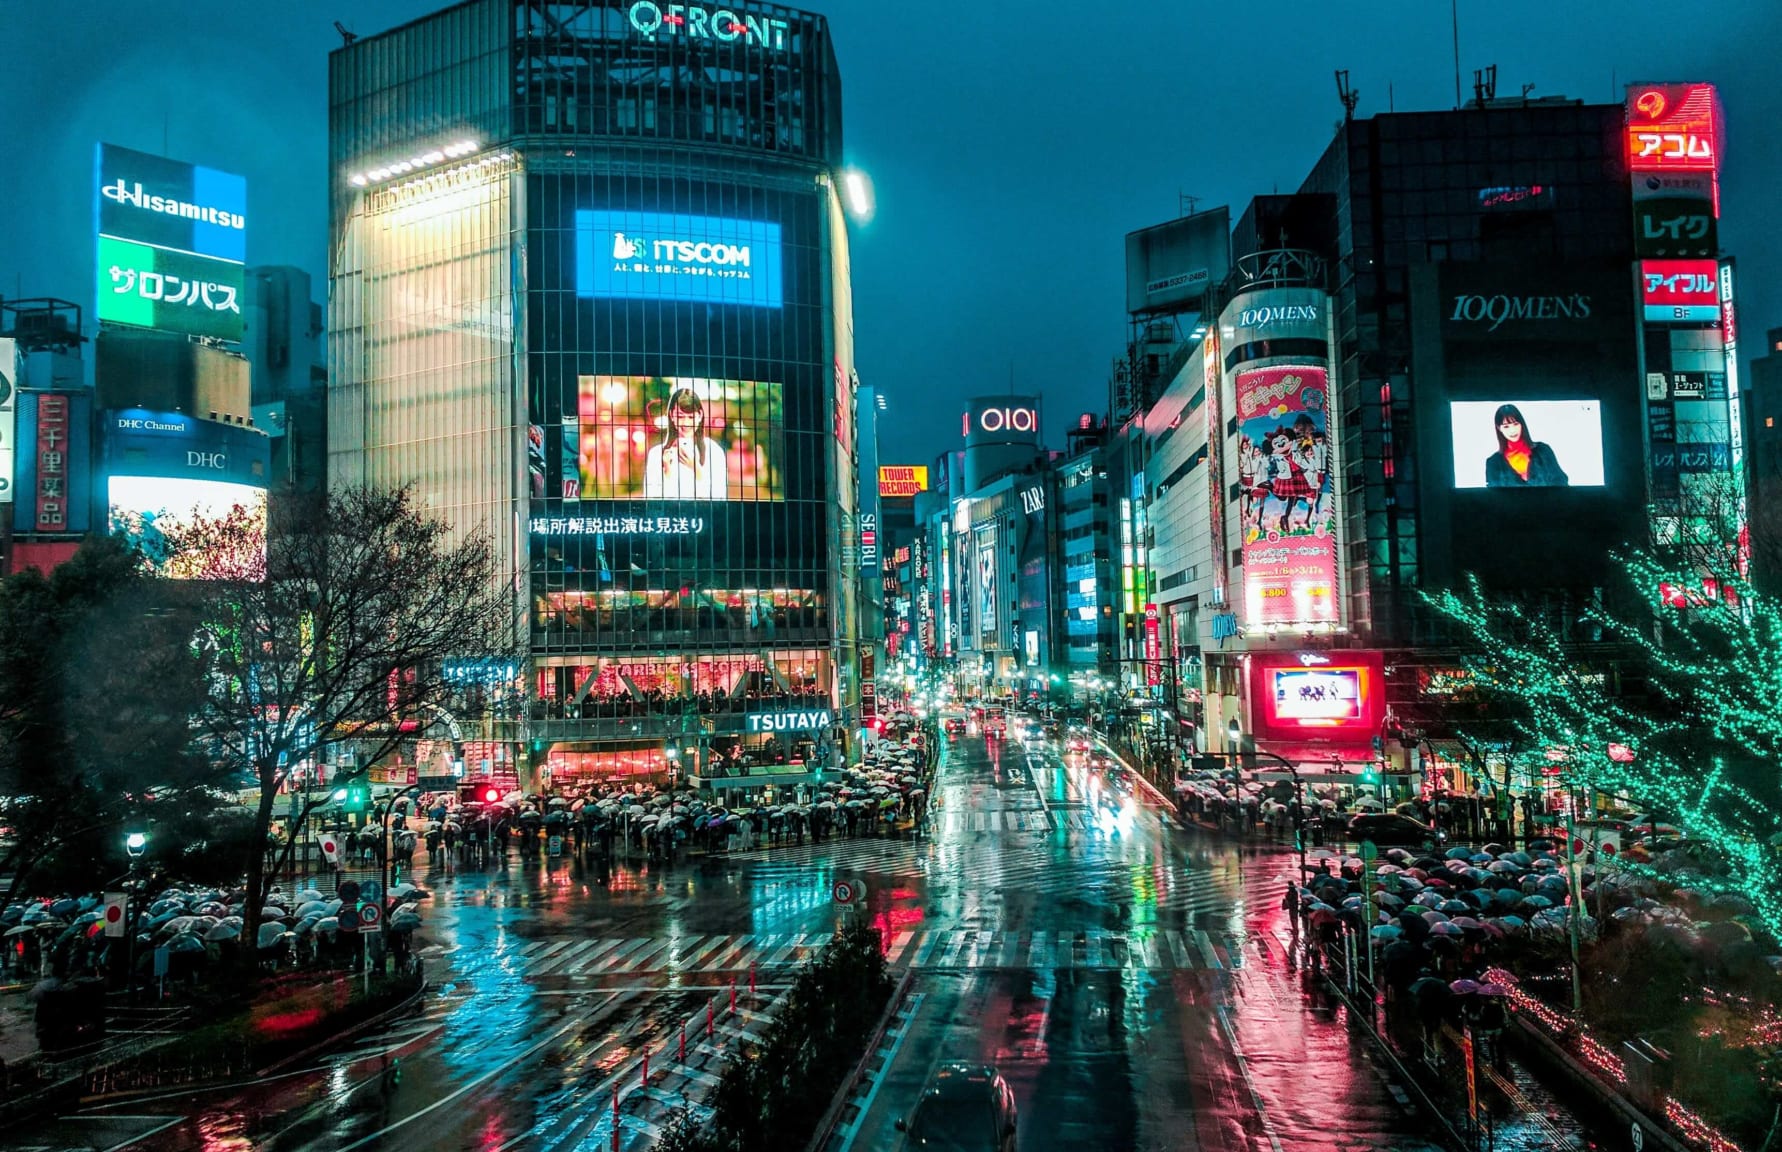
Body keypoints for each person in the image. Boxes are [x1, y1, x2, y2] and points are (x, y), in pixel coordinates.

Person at [644, 387, 729, 500]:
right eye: (680, 417)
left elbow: (720, 498)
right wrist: (667, 471)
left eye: (691, 417)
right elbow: (649, 499)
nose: (686, 423)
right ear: (671, 416)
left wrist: (697, 469)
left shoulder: (713, 451)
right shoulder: (656, 453)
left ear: (700, 416)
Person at [1484, 403, 1569, 487]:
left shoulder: (1543, 451)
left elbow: (1561, 483)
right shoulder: (1493, 463)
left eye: (1515, 424)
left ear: (1522, 424)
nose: (1512, 430)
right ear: (1499, 428)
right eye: (1506, 426)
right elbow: (1493, 497)